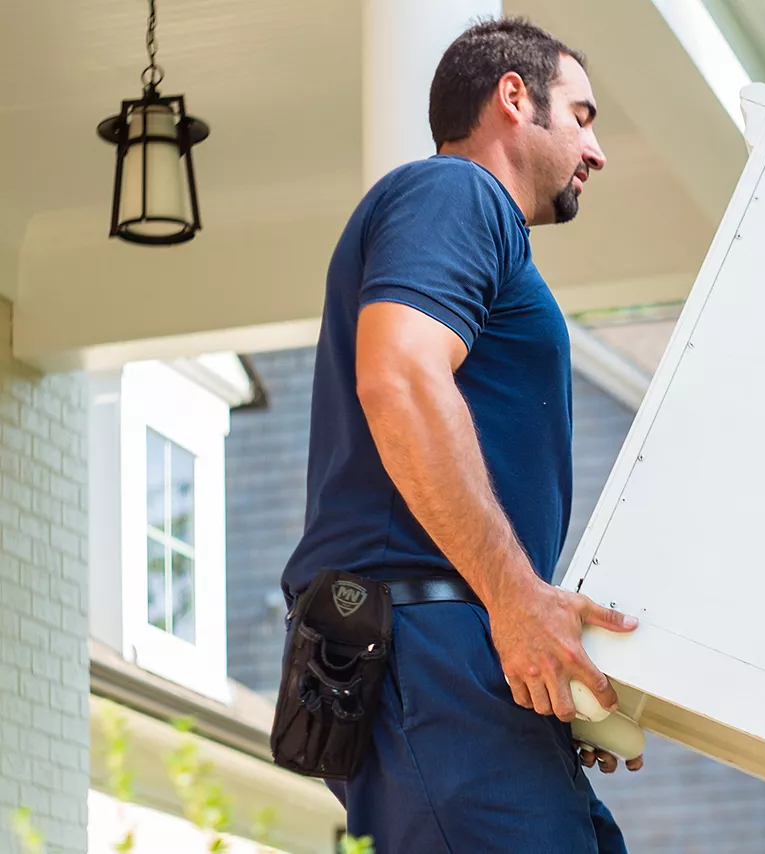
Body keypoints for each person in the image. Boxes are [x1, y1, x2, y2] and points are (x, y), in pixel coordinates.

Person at [279, 16, 642, 853]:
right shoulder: (456, 192)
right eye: (583, 117)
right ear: (515, 98)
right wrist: (516, 602)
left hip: (461, 663)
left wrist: (541, 653)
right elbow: (399, 374)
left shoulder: (475, 222)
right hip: (433, 653)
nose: (596, 152)